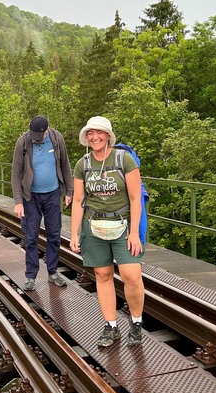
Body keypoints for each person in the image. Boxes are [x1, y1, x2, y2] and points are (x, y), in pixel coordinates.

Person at [69, 116, 145, 347]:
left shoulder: (125, 160)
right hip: (94, 227)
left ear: (108, 135)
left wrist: (134, 233)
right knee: (102, 276)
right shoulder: (83, 164)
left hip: (123, 227)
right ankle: (111, 326)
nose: (95, 137)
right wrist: (73, 234)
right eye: (90, 133)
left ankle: (136, 322)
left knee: (131, 276)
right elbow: (78, 200)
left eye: (99, 133)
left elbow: (135, 198)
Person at [11, 115, 73, 291]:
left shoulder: (56, 138)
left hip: (53, 194)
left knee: (54, 235)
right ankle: (30, 276)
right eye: (33, 136)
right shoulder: (22, 142)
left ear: (46, 131)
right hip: (31, 197)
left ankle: (53, 272)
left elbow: (65, 165)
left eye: (39, 137)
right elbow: (15, 173)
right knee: (31, 237)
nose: (35, 140)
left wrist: (69, 191)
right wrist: (18, 201)